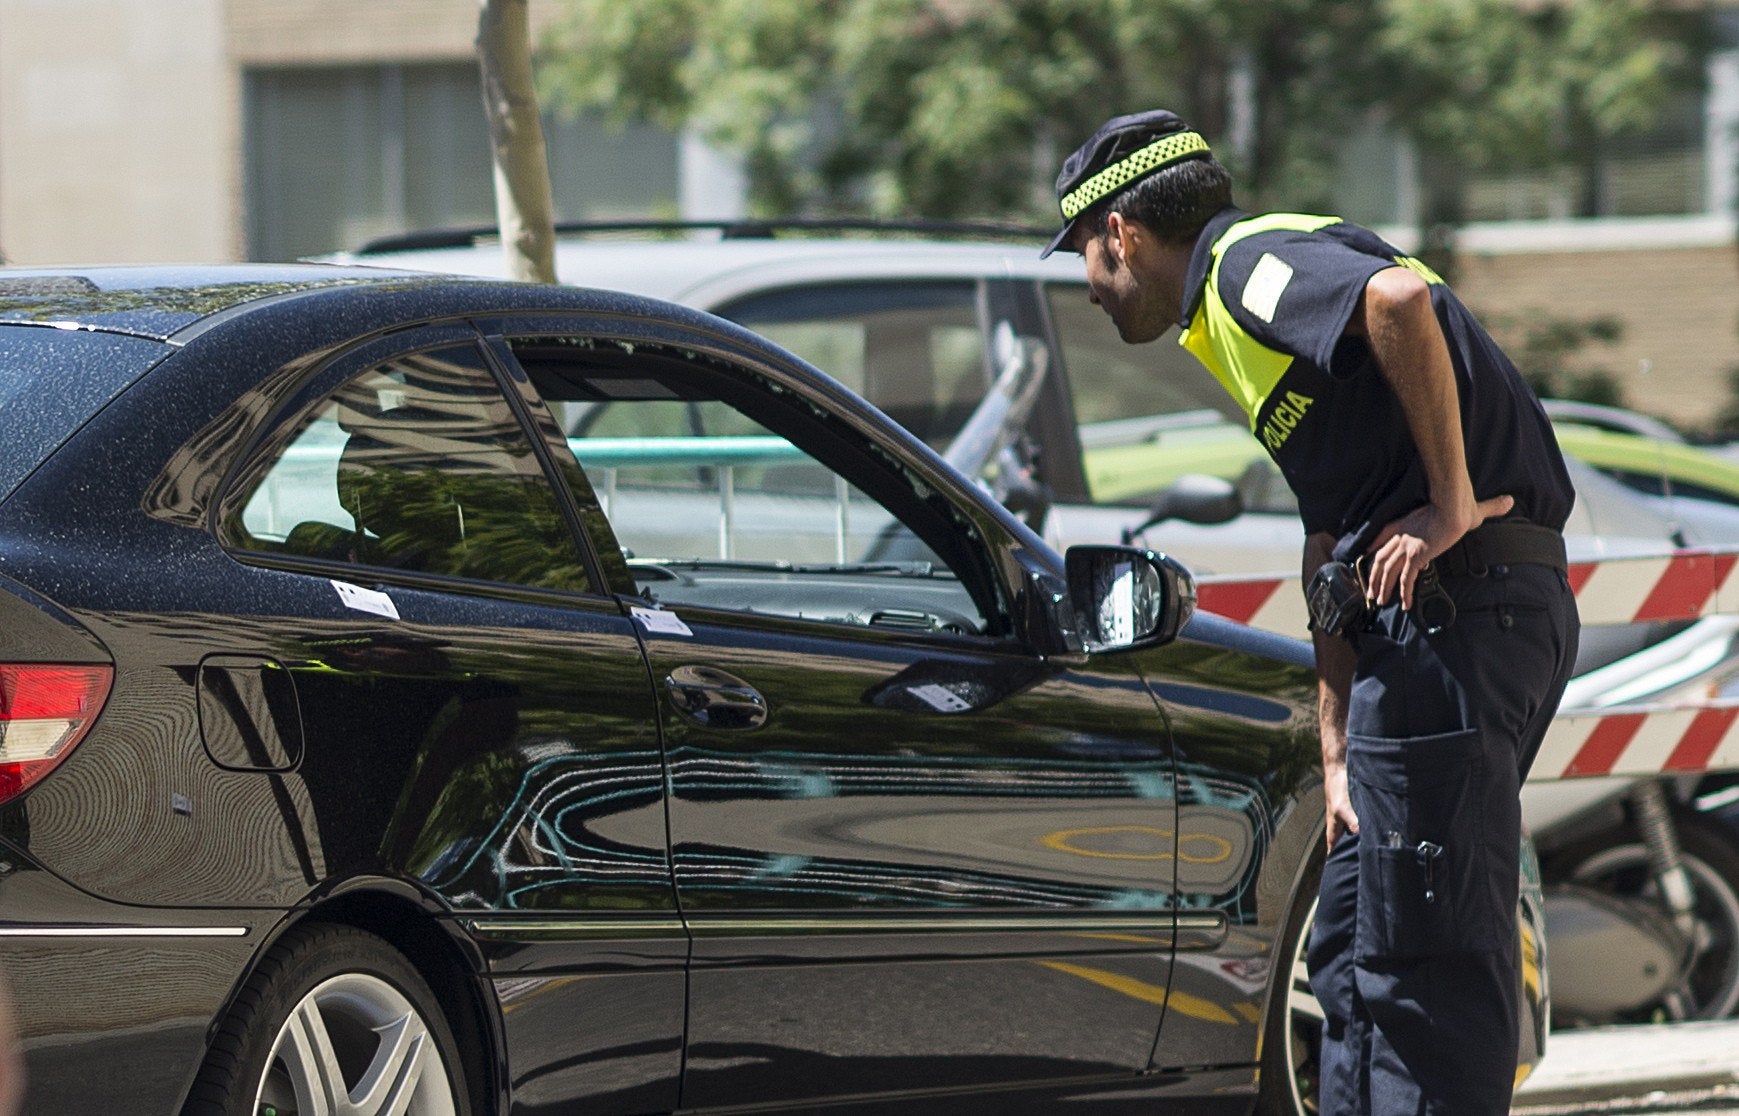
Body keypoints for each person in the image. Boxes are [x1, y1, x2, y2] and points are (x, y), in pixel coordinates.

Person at [1043, 109, 1581, 1114]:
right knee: (1347, 949)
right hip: (1426, 641)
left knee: (1422, 977)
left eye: (1082, 252)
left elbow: (1396, 300)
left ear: (1120, 233)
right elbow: (1329, 541)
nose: (1086, 286)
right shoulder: (1229, 320)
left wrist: (1449, 501)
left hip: (1456, 627)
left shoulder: (1242, 268)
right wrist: (1332, 751)